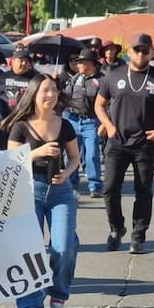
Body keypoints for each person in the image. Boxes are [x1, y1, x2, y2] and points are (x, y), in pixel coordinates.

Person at [2, 74, 81, 308]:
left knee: (64, 245)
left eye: (54, 90)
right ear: (34, 94)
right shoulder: (21, 125)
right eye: (45, 90)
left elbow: (75, 158)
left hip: (60, 192)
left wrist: (66, 173)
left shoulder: (64, 125)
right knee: (29, 248)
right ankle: (30, 301)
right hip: (29, 191)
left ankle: (58, 291)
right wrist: (37, 153)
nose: (50, 95)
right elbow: (10, 161)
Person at [93, 33, 154, 255]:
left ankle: (138, 235)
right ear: (129, 52)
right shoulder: (114, 75)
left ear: (152, 52)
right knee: (110, 188)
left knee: (143, 190)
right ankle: (116, 227)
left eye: (145, 50)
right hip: (117, 142)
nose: (141, 54)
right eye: (137, 50)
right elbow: (99, 105)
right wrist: (109, 126)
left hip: (145, 144)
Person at [62, 49, 105, 198]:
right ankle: (71, 184)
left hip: (91, 121)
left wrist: (104, 123)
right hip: (73, 120)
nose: (77, 64)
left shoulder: (102, 81)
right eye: (77, 61)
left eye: (81, 62)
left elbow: (109, 103)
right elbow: (65, 97)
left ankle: (95, 185)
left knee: (92, 153)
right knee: (71, 155)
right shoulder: (75, 79)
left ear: (91, 64)